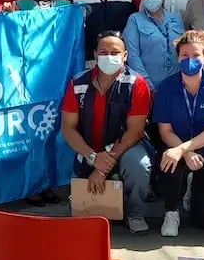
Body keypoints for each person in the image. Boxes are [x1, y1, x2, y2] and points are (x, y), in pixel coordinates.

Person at [61, 31, 153, 235]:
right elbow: (67, 127)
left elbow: (136, 131)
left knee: (139, 164)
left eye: (115, 52)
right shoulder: (78, 83)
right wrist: (92, 157)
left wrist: (103, 167)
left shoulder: (136, 83)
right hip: (89, 148)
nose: (109, 56)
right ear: (94, 54)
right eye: (103, 52)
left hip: (125, 145)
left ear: (125, 55)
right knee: (75, 217)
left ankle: (135, 213)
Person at [153, 30, 204, 236]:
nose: (190, 60)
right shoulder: (167, 87)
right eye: (184, 55)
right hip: (176, 146)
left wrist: (185, 149)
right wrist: (184, 153)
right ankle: (171, 211)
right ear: (178, 57)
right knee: (169, 159)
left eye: (196, 55)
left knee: (203, 221)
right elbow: (165, 130)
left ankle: (191, 188)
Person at [123, 0, 185, 88]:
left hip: (177, 85)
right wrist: (148, 86)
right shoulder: (135, 20)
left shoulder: (176, 18)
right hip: (149, 86)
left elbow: (184, 50)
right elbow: (133, 56)